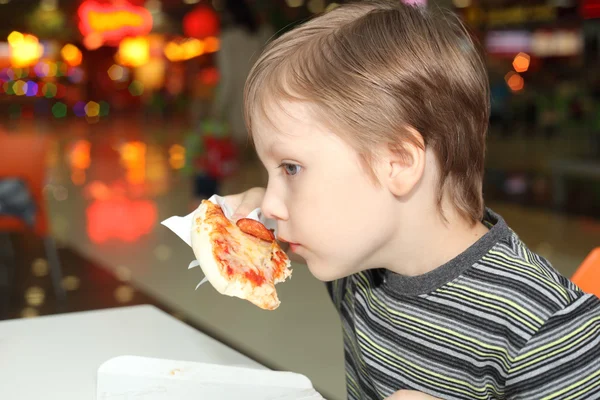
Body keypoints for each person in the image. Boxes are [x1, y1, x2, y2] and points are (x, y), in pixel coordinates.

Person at [221, 1, 600, 399]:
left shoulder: (543, 327)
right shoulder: (362, 266)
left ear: (398, 162)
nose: (274, 203)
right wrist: (255, 219)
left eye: (291, 169)